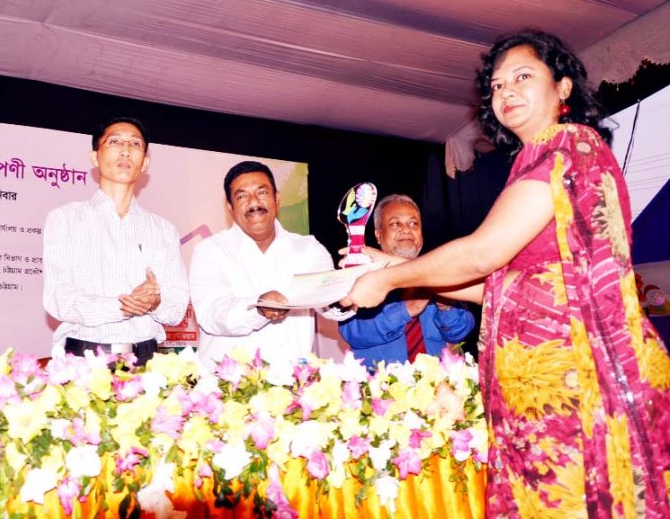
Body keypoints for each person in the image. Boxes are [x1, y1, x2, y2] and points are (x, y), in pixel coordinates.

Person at [341, 30, 670, 516]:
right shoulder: (537, 163)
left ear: (562, 88)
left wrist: (386, 281)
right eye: (495, 86)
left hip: (580, 388)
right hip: (546, 393)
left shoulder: (566, 147)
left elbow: (482, 255)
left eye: (522, 77)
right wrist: (391, 263)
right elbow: (498, 286)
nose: (505, 92)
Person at [43, 117, 188, 366]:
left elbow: (176, 309)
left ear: (145, 163)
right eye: (114, 141)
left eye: (135, 144)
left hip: (148, 361)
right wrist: (123, 306)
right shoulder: (64, 219)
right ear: (94, 157)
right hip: (83, 360)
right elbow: (58, 298)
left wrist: (155, 302)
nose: (125, 150)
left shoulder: (163, 230)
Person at [189, 161, 352, 366]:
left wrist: (346, 292)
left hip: (293, 383)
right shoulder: (210, 251)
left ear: (277, 199)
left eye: (262, 192)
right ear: (230, 208)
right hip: (228, 388)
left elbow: (326, 300)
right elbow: (212, 313)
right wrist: (259, 308)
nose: (254, 202)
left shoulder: (308, 249)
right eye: (242, 196)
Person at [338, 194, 473, 368]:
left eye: (413, 224)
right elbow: (352, 333)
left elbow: (459, 332)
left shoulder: (439, 274)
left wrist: (444, 305)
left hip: (439, 389)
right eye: (395, 224)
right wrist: (406, 309)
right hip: (383, 390)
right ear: (378, 235)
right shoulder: (361, 275)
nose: (406, 229)